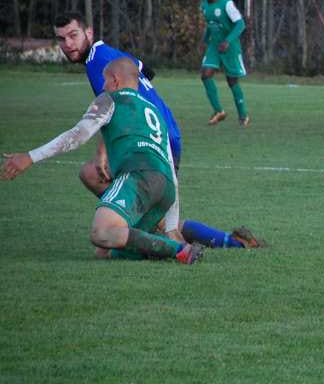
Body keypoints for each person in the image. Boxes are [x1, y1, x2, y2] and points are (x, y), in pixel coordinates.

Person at [53, 12, 263, 251]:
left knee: (92, 175)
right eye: (61, 39)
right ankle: (232, 242)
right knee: (157, 221)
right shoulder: (111, 54)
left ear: (88, 33)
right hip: (167, 132)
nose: (68, 44)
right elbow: (146, 70)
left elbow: (117, 106)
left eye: (73, 35)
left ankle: (167, 240)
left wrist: (102, 150)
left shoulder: (96, 62)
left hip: (150, 140)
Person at [2, 58, 204, 264]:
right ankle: (169, 247)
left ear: (115, 81)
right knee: (109, 252)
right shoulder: (153, 110)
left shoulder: (110, 99)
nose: (103, 86)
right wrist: (170, 227)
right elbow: (170, 165)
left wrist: (30, 156)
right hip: (165, 187)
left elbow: (78, 135)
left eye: (105, 81)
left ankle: (179, 249)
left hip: (138, 177)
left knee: (102, 233)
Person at [200, 0, 250, 127]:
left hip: (230, 47)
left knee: (232, 81)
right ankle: (218, 111)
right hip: (214, 46)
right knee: (205, 74)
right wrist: (204, 41)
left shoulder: (227, 4)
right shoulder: (204, 6)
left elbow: (240, 24)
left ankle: (243, 115)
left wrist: (228, 41)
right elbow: (210, 24)